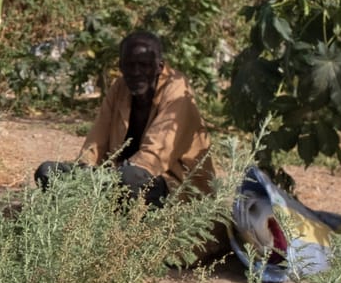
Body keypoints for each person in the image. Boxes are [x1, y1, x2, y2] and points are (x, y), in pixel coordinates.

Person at [34, 31, 213, 203]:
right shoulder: (120, 87)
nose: (135, 72)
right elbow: (96, 142)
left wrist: (110, 178)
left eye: (143, 65)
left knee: (130, 179)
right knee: (48, 171)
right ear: (121, 66)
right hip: (117, 177)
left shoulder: (176, 89)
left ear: (159, 66)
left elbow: (154, 157)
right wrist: (84, 171)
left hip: (172, 185)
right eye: (129, 65)